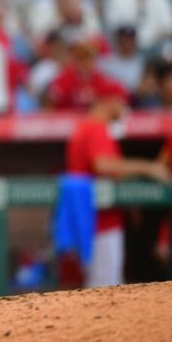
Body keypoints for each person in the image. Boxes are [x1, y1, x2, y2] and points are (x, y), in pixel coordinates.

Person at [66, 80, 169, 287]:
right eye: (123, 103)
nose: (125, 109)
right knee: (104, 291)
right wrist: (148, 167)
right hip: (101, 223)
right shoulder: (96, 129)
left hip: (88, 219)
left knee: (101, 287)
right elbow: (103, 165)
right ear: (110, 102)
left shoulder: (84, 127)